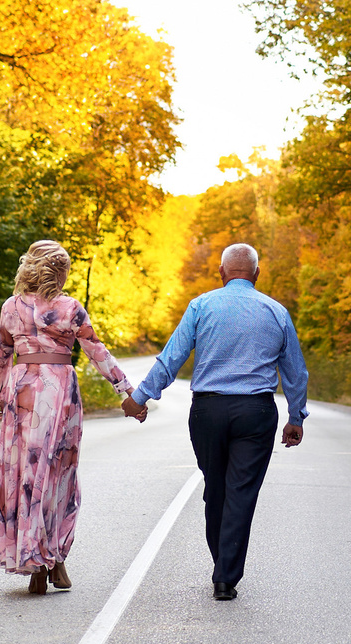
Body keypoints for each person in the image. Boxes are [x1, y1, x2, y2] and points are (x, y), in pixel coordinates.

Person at [123, 242, 308, 600]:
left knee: (217, 488)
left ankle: (222, 563)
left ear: (222, 273)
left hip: (208, 411)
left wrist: (140, 397)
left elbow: (172, 356)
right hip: (256, 412)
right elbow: (295, 372)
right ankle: (225, 576)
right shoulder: (276, 311)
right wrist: (295, 417)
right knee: (241, 493)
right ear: (256, 274)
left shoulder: (201, 305)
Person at [0, 239, 145, 595]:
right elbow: (96, 351)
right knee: (57, 474)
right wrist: (126, 390)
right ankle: (51, 557)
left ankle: (43, 559)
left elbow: (2, 356)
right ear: (58, 272)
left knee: (27, 474)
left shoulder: (11, 307)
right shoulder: (70, 308)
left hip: (23, 391)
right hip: (58, 392)